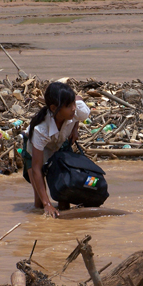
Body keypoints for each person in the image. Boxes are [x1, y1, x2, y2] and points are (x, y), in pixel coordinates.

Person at [22, 82, 90, 218]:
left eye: (73, 104)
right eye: (69, 106)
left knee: (64, 194)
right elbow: (36, 168)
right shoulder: (41, 130)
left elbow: (79, 101)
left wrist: (75, 129)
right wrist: (47, 204)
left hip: (59, 143)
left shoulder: (75, 110)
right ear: (54, 108)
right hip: (34, 149)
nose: (73, 109)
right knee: (39, 203)